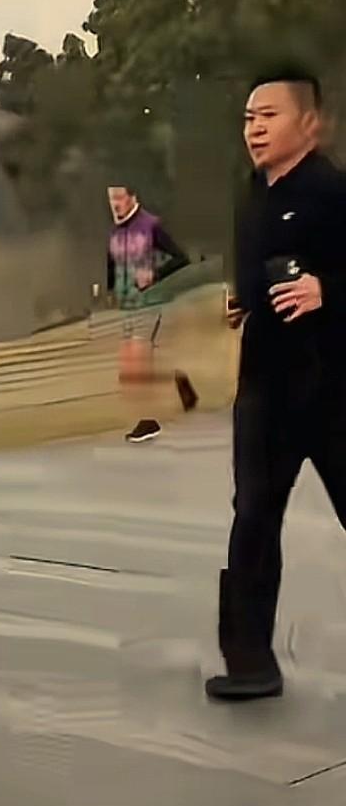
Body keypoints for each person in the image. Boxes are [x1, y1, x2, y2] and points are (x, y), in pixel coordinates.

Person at [207, 68, 346, 702]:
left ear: (309, 124)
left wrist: (327, 290)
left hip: (334, 387)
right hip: (266, 386)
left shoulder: (331, 191)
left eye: (269, 116)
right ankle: (249, 663)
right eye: (248, 118)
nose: (255, 129)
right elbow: (258, 274)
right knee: (254, 520)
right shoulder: (251, 193)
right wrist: (243, 303)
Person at [106, 184, 199, 443]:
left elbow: (181, 258)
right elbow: (112, 264)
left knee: (139, 362)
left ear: (132, 197)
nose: (115, 204)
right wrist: (109, 288)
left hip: (153, 301)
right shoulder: (115, 231)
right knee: (138, 361)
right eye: (111, 198)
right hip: (128, 305)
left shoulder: (151, 226)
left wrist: (154, 275)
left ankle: (149, 422)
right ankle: (179, 379)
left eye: (119, 198)